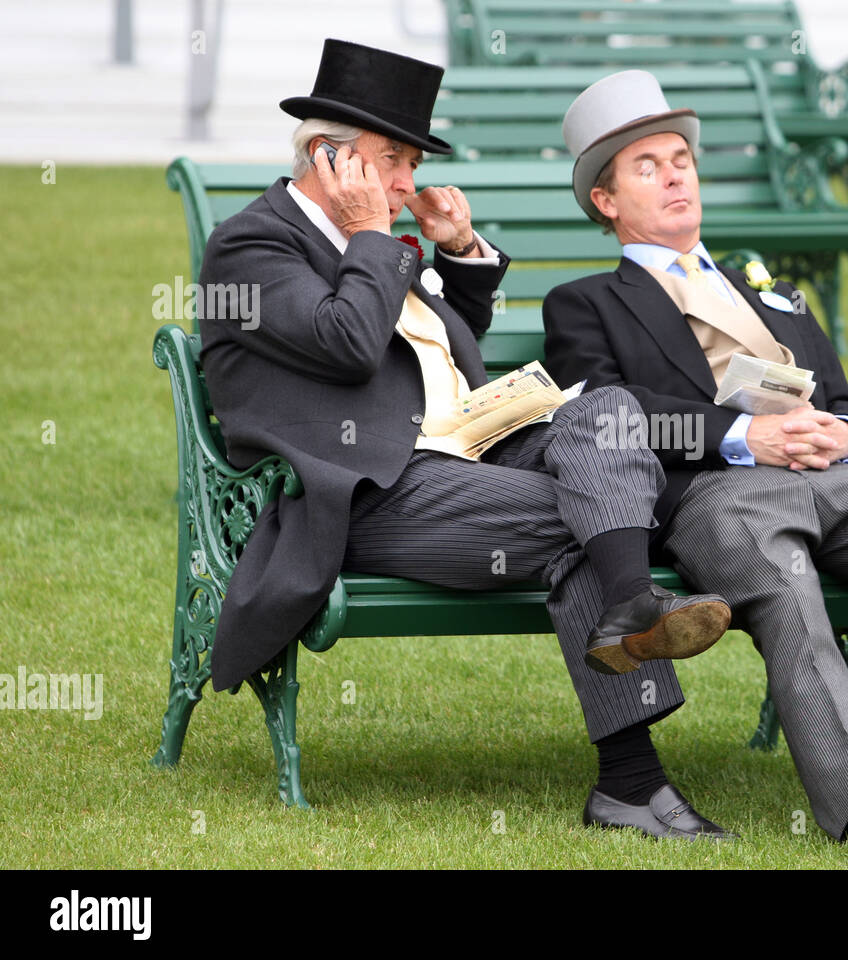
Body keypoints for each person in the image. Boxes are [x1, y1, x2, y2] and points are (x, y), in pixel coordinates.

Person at [197, 41, 735, 838]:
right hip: (372, 485)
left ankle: (629, 612)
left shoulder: (372, 238)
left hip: (472, 447)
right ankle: (631, 774)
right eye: (392, 160)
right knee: (596, 518)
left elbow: (428, 347)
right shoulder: (252, 248)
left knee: (611, 411)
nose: (407, 184)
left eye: (410, 161)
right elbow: (348, 342)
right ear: (326, 155)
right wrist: (375, 236)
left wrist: (459, 258)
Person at [543, 70, 848, 867]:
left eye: (681, 161)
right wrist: (741, 438)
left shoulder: (772, 294)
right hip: (717, 496)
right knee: (784, 583)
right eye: (647, 167)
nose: (674, 176)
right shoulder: (586, 303)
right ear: (605, 201)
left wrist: (844, 435)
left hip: (836, 482)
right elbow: (609, 415)